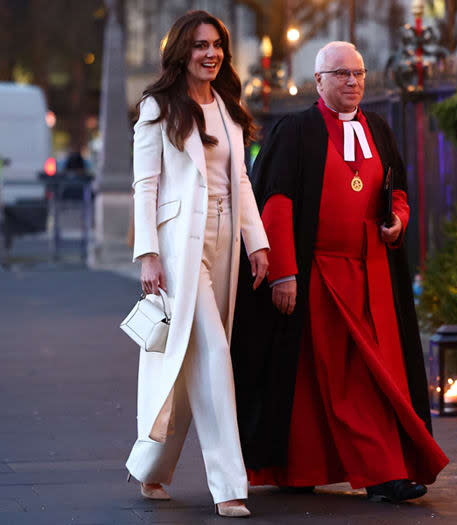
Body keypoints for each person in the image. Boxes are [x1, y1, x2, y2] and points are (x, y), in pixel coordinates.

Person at [232, 41, 448, 503]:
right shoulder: (295, 130)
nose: (352, 82)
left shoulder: (380, 130)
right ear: (319, 82)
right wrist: (284, 275)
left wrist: (398, 223)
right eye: (341, 74)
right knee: (320, 380)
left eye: (358, 73)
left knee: (369, 377)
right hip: (319, 277)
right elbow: (276, 205)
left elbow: (399, 193)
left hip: (373, 276)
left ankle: (383, 469)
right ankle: (317, 469)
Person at [124, 10, 269, 518]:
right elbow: (146, 185)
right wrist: (148, 254)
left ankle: (151, 467)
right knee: (211, 352)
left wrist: (258, 243)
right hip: (179, 243)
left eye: (217, 46)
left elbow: (242, 181)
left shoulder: (229, 109)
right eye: (200, 46)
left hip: (226, 240)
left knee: (193, 354)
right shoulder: (157, 107)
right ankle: (229, 484)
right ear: (182, 52)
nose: (210, 54)